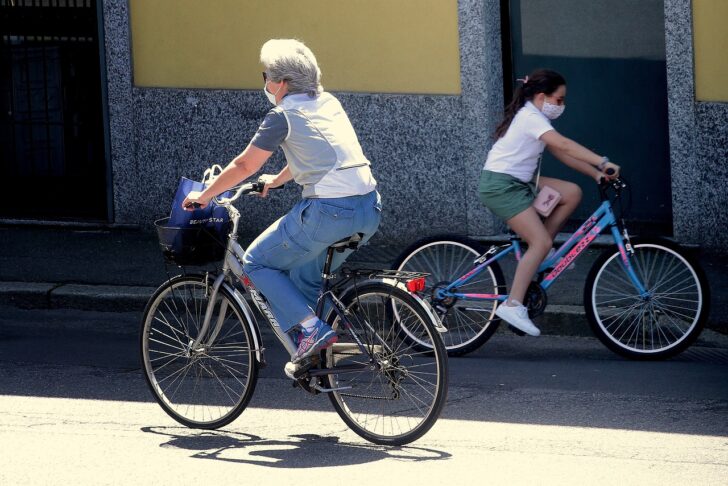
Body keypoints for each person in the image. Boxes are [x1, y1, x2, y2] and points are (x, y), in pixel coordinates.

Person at [183, 39, 381, 365]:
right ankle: (332, 339)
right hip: (369, 209)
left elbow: (245, 165)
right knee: (305, 277)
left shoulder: (282, 115)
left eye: (266, 76)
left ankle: (311, 330)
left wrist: (204, 195)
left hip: (329, 212)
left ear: (282, 83)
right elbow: (318, 154)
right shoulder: (328, 102)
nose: (264, 83)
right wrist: (275, 181)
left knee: (256, 263)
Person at [479, 69, 620, 336]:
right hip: (501, 187)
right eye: (559, 99)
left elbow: (562, 153)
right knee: (540, 242)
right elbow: (565, 145)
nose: (562, 105)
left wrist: (596, 175)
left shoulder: (537, 118)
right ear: (542, 96)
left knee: (572, 193)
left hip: (520, 182)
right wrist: (602, 161)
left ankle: (545, 254)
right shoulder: (530, 117)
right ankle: (513, 304)